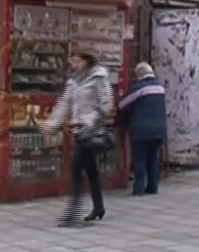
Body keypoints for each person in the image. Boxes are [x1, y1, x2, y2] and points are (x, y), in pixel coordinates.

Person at [42, 51, 112, 226]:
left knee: (76, 171)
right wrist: (51, 124)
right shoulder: (73, 81)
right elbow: (64, 104)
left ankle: (71, 215)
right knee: (90, 171)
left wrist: (87, 121)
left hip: (91, 130)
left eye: (76, 61)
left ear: (87, 61)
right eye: (71, 62)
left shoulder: (98, 77)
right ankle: (98, 207)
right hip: (79, 132)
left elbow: (106, 104)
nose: (73, 65)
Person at [117, 62, 167, 196]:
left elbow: (122, 105)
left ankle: (138, 189)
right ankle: (152, 187)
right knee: (153, 158)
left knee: (140, 159)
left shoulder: (139, 88)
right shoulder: (160, 87)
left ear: (140, 74)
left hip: (141, 130)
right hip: (159, 130)